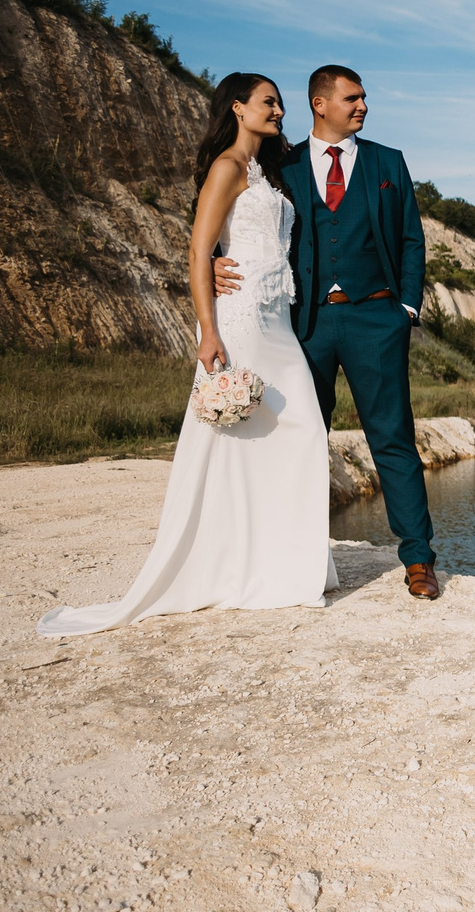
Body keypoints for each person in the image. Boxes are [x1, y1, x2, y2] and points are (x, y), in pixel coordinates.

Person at [39, 74, 337, 635]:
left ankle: (285, 565)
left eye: (278, 103)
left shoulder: (269, 173)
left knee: (299, 432)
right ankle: (242, 567)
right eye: (268, 102)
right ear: (238, 108)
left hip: (278, 319)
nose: (278, 110)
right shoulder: (227, 167)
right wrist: (207, 329)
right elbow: (200, 251)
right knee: (241, 438)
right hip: (243, 317)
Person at [273, 64, 441, 599]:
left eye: (364, 97)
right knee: (303, 441)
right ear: (320, 104)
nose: (363, 106)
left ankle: (418, 559)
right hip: (308, 323)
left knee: (393, 440)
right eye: (352, 98)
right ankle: (297, 559)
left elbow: (412, 238)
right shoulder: (285, 164)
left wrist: (406, 308)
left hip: (377, 317)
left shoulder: (388, 162)